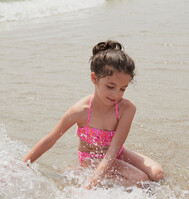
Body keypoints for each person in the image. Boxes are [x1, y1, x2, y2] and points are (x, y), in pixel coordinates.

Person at [22, 40, 164, 189]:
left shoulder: (127, 108)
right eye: (110, 86)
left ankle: (89, 174)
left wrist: (93, 181)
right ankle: (81, 171)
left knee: (157, 173)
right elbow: (50, 139)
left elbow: (114, 149)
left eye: (123, 88)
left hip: (115, 153)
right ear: (94, 78)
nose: (116, 94)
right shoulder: (80, 111)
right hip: (90, 158)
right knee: (141, 180)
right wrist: (23, 164)